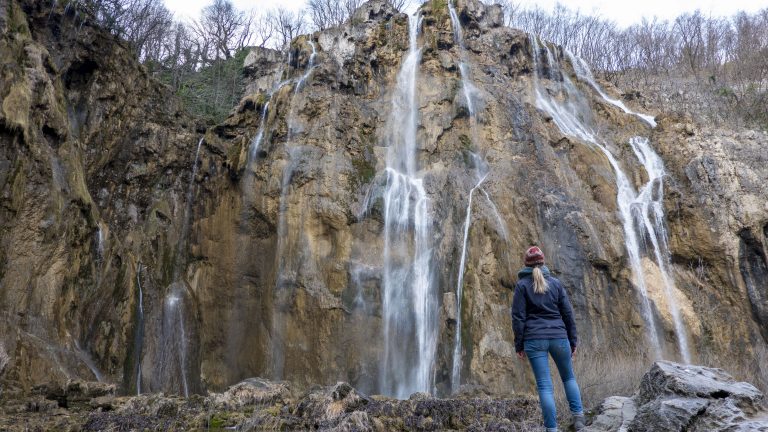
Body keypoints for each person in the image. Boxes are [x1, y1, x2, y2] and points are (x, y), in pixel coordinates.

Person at [504, 246, 585, 432]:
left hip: (534, 339)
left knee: (545, 386)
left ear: (526, 264)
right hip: (559, 337)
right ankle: (579, 418)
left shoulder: (522, 286)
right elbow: (568, 314)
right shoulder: (556, 284)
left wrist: (519, 345)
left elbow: (518, 318)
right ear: (543, 262)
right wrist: (573, 341)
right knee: (568, 378)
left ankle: (552, 429)